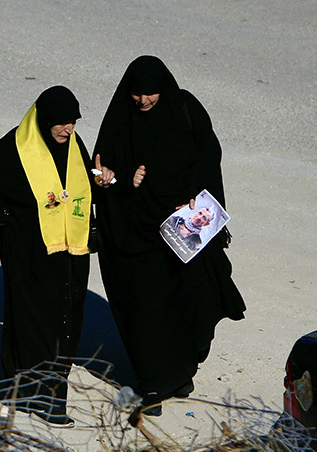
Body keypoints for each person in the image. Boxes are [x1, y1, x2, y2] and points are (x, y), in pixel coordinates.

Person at [93, 56, 245, 415]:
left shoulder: (185, 108)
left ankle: (180, 373)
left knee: (189, 304)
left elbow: (208, 155)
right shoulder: (120, 119)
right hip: (136, 237)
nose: (143, 101)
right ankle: (153, 386)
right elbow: (102, 173)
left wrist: (196, 189)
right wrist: (122, 179)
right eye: (136, 94)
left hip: (181, 234)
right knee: (146, 312)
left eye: (151, 93)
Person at [0, 86, 109, 425]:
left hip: (70, 249)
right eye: (61, 123)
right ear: (43, 120)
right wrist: (0, 212)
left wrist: (102, 182)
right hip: (27, 249)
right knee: (33, 319)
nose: (67, 130)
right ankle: (45, 397)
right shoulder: (17, 147)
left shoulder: (73, 146)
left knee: (66, 318)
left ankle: (41, 390)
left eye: (73, 122)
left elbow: (77, 190)